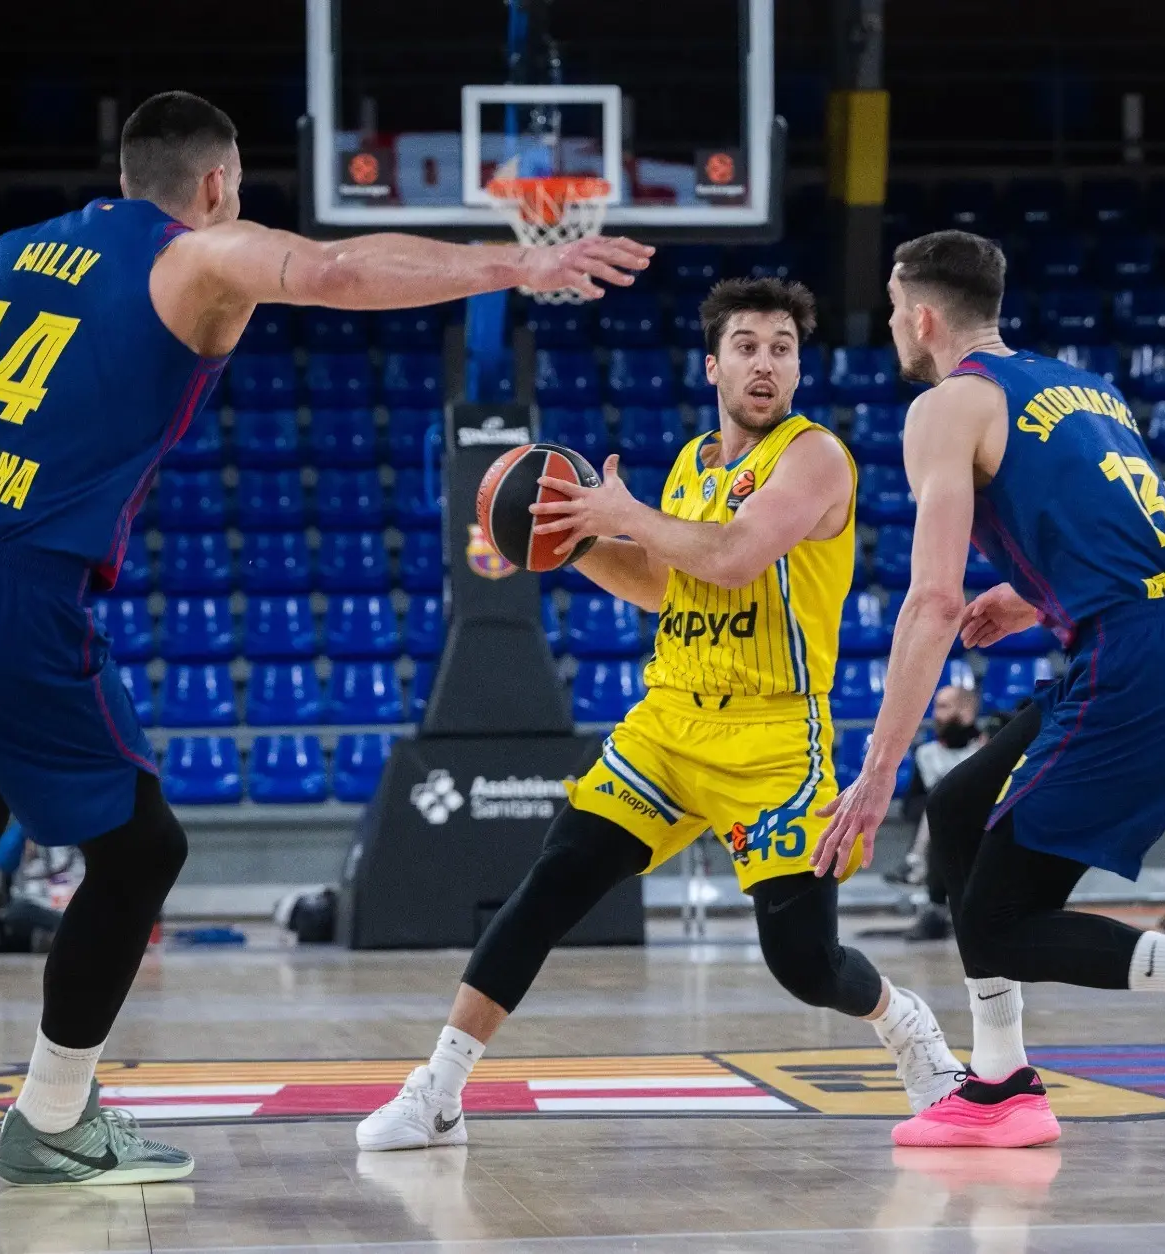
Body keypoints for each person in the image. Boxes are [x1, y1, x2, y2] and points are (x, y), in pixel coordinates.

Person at [0, 90, 651, 1180]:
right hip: (8, 589)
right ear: (217, 183)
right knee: (143, 851)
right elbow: (335, 271)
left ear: (129, 174)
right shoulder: (196, 257)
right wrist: (517, 264)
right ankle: (55, 1118)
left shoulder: (23, 251)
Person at [357, 277, 961, 1154]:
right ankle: (438, 1092)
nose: (764, 363)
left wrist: (624, 513)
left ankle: (906, 1025)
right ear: (712, 366)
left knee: (804, 963)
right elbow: (661, 582)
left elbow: (733, 556)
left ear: (799, 368)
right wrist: (573, 541)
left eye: (782, 348)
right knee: (553, 882)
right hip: (671, 720)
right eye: (746, 347)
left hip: (772, 736)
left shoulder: (815, 457)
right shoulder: (690, 464)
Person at [812, 229, 1165, 1148]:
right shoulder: (1084, 387)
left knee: (1002, 923)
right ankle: (1000, 1084)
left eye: (895, 311)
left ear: (922, 317)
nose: (892, 326)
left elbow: (932, 601)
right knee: (961, 809)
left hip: (1135, 660)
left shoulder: (946, 407)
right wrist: (1031, 596)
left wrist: (879, 767)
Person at [894, 684, 986, 941]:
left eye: (944, 707)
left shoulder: (988, 747)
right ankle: (935, 906)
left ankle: (916, 866)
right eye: (936, 707)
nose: (936, 714)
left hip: (982, 824)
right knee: (938, 806)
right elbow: (910, 805)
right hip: (941, 829)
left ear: (966, 712)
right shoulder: (926, 754)